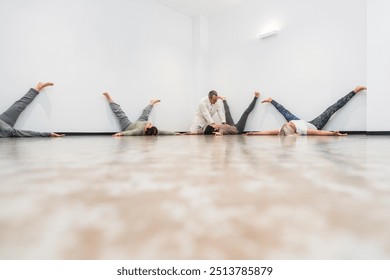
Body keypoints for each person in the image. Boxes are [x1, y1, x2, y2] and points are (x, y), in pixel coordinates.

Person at [247, 86, 366, 136]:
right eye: (290, 124)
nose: (290, 122)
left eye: (289, 123)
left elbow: (268, 133)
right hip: (314, 125)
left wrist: (254, 133)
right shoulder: (303, 130)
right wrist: (333, 134)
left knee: (285, 112)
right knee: (332, 109)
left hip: (302, 121)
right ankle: (354, 91)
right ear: (294, 129)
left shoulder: (286, 128)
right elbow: (318, 133)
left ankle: (271, 100)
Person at [103, 92, 176, 136]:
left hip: (128, 127)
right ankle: (152, 103)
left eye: (149, 125)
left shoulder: (139, 131)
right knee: (145, 113)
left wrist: (121, 134)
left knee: (120, 113)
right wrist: (175, 133)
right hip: (141, 122)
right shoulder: (153, 130)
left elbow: (131, 133)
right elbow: (163, 132)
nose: (150, 123)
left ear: (145, 129)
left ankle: (109, 98)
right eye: (151, 125)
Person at [191, 92, 260, 135]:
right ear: (209, 98)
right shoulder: (202, 102)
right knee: (246, 112)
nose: (215, 102)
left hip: (230, 125)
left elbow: (220, 112)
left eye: (216, 100)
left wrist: (223, 123)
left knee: (227, 113)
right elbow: (206, 114)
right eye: (214, 100)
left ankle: (224, 100)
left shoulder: (219, 127)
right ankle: (256, 97)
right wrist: (214, 126)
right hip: (237, 129)